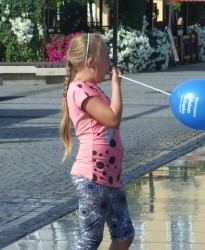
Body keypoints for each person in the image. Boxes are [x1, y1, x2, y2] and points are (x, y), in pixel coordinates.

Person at [60, 32, 135, 250]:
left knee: (124, 235)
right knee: (90, 241)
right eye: (107, 58)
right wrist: (116, 85)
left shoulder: (92, 86)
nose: (110, 63)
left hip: (111, 176)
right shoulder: (80, 89)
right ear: (91, 62)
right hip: (93, 175)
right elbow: (113, 119)